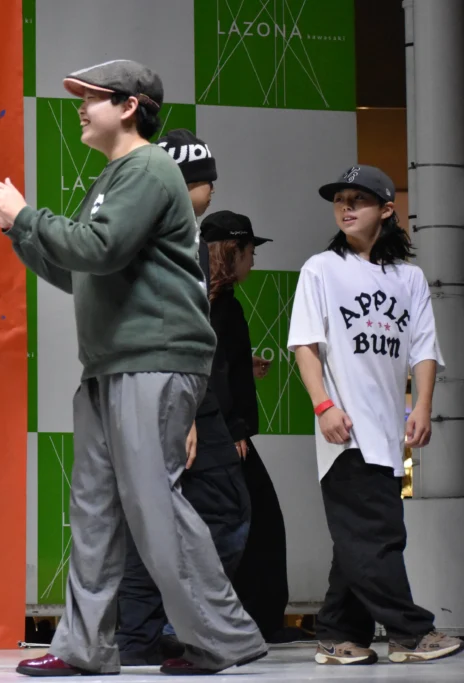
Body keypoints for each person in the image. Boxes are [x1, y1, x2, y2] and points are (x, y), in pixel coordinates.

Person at [0, 59, 266, 676]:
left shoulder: (149, 168)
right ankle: (85, 647)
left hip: (153, 359)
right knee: (95, 510)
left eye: (91, 97)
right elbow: (81, 271)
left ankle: (224, 639)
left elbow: (98, 249)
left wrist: (25, 215)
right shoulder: (116, 176)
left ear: (129, 107)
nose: (80, 107)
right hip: (112, 366)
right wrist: (17, 230)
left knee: (155, 505)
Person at [288, 165, 462, 665]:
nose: (345, 207)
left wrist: (422, 405)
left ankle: (338, 634)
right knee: (378, 536)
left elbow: (424, 349)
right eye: (340, 199)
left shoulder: (410, 278)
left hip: (388, 432)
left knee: (359, 538)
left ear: (386, 209)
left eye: (358, 199)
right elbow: (305, 344)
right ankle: (410, 632)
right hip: (346, 430)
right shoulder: (321, 269)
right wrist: (324, 405)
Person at [113, 130, 253, 666]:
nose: (212, 190)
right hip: (172, 388)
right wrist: (184, 408)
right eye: (205, 180)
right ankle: (182, 628)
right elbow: (167, 321)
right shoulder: (167, 235)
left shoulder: (167, 232)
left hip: (165, 385)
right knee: (220, 507)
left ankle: (145, 634)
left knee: (158, 512)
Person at [199, 210, 300, 643]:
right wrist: (236, 427)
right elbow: (212, 371)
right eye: (250, 251)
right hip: (221, 431)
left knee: (247, 520)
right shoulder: (223, 306)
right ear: (233, 251)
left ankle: (249, 618)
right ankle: (255, 620)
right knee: (256, 521)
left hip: (211, 427)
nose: (254, 260)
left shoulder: (201, 298)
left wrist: (245, 361)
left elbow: (217, 360)